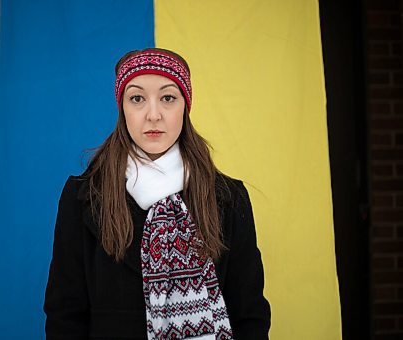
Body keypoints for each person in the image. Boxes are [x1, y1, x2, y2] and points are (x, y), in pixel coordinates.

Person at [44, 48, 271, 339]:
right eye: (137, 98)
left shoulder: (228, 198)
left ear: (185, 107)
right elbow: (65, 315)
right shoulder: (83, 196)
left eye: (168, 98)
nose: (153, 115)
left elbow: (249, 315)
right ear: (122, 107)